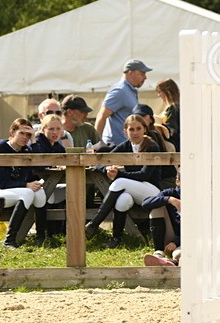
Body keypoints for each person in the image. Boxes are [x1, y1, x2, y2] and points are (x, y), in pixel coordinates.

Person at [85, 113, 163, 248]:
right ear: (125, 131)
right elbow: (102, 160)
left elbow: (145, 175)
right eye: (131, 129)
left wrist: (119, 174)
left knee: (119, 182)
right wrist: (107, 169)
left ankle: (94, 224)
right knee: (122, 200)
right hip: (133, 190)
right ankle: (116, 239)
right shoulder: (126, 145)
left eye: (138, 128)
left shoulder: (152, 145)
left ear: (145, 129)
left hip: (152, 191)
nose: (135, 132)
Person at [0, 119, 46, 248]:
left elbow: (41, 166)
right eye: (22, 133)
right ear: (12, 131)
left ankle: (41, 238)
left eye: (28, 134)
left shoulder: (26, 149)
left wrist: (34, 140)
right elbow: (0, 182)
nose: (25, 137)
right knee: (27, 192)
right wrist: (26, 185)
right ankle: (9, 240)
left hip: (16, 190)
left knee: (40, 192)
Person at [29, 113, 68, 245]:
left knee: (82, 187)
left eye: (58, 129)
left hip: (50, 182)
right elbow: (39, 163)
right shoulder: (39, 141)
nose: (55, 132)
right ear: (43, 129)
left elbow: (65, 159)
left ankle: (64, 231)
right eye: (51, 129)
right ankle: (49, 233)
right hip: (35, 183)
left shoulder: (57, 145)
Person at [97, 59, 151, 146]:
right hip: (116, 146)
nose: (145, 77)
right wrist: (97, 142)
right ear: (131, 72)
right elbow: (102, 115)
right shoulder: (120, 91)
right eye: (142, 74)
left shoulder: (130, 90)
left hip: (126, 145)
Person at [155, 78, 181, 151]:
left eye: (160, 92)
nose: (159, 95)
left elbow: (172, 131)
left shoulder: (173, 108)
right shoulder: (176, 107)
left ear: (167, 92)